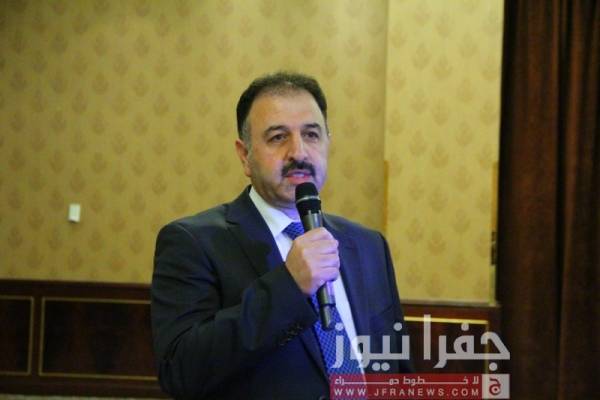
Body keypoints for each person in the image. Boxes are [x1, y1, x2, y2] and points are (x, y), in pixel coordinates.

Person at [151, 72, 412, 400]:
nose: (299, 152)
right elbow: (181, 371)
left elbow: (396, 367)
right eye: (278, 137)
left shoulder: (368, 244)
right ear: (244, 155)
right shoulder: (193, 243)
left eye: (312, 135)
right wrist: (288, 286)